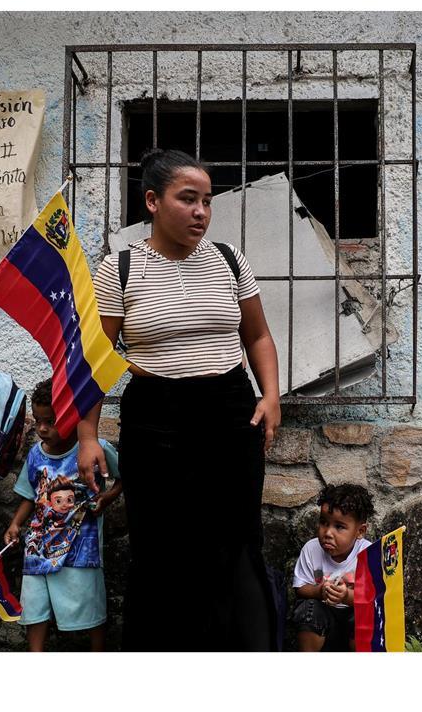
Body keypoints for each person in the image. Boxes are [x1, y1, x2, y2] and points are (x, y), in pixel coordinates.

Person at [78, 148, 281, 651]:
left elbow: (257, 336)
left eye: (207, 201)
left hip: (231, 414)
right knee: (160, 549)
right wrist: (86, 436)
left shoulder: (230, 260)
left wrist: (271, 396)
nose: (201, 212)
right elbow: (94, 363)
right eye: (187, 199)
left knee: (235, 543)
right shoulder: (119, 269)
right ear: (152, 201)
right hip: (156, 420)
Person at [4, 378, 122, 652]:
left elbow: (122, 477)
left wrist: (107, 498)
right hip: (39, 547)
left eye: (51, 421)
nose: (43, 429)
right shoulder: (35, 455)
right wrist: (15, 524)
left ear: (70, 417)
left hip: (80, 548)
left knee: (88, 603)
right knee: (35, 604)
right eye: (38, 421)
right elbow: (30, 495)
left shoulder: (93, 449)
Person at [291, 484, 375, 652]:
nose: (328, 532)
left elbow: (372, 597)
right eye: (323, 522)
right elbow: (300, 588)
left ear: (360, 531)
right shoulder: (312, 549)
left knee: (366, 616)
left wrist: (346, 596)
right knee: (309, 609)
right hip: (323, 621)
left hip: (352, 621)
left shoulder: (367, 554)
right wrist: (318, 591)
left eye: (339, 526)